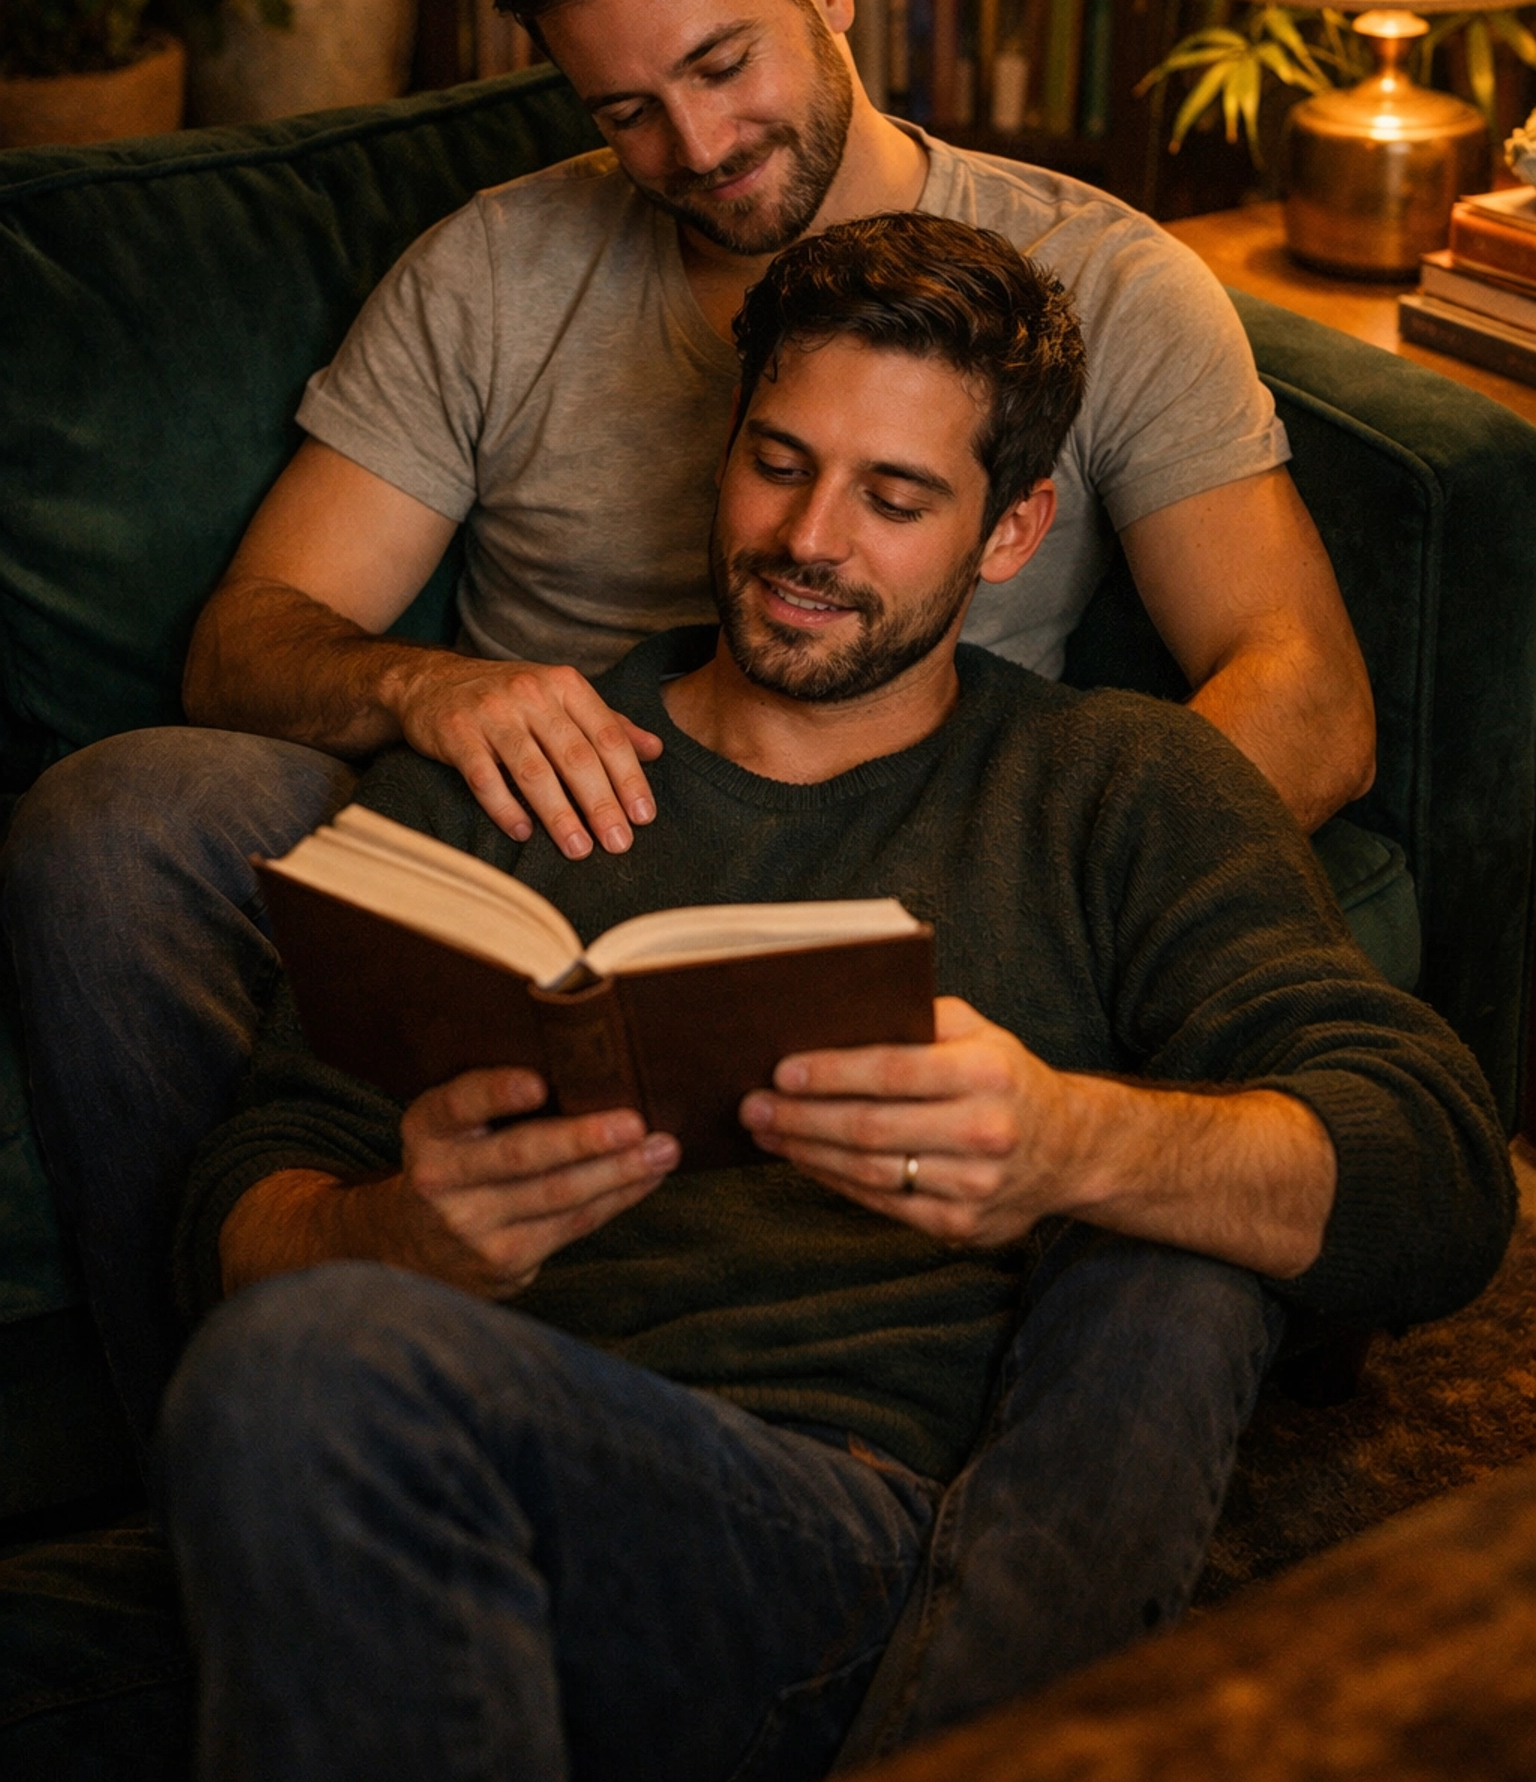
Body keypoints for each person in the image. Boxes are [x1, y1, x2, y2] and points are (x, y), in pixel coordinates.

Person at [2, 0, 1375, 1444]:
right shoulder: (490, 276)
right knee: (114, 815)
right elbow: (246, 640)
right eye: (629, 111)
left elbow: (1304, 688)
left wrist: (1045, 896)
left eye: (725, 66)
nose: (699, 151)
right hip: (537, 866)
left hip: (913, 859)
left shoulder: (1106, 283)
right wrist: (428, 690)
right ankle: (223, 1461)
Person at [157, 216, 1509, 1782]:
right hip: (484, 1471)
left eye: (896, 497)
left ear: (1010, 533)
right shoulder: (498, 774)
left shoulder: (1113, 785)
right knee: (284, 1380)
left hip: (861, 1543)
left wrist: (1068, 1140)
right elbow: (242, 1209)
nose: (811, 540)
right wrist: (393, 1236)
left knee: (298, 1393)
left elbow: (1441, 1177)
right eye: (779, 463)